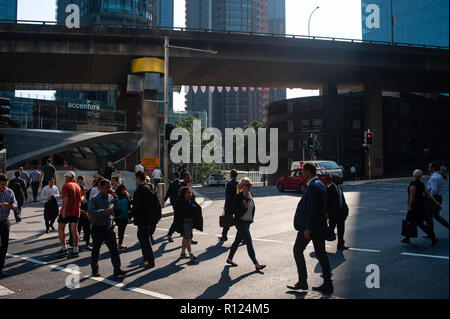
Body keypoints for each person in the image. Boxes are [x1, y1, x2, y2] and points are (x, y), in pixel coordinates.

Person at [288, 162, 333, 294]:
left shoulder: (313, 186)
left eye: (303, 171)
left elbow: (312, 210)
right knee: (321, 254)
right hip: (318, 226)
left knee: (297, 250)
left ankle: (303, 281)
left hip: (309, 228)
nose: (302, 173)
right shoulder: (320, 184)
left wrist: (307, 228)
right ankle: (328, 283)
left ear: (308, 172)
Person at [88, 179, 127, 278]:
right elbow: (91, 212)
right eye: (107, 187)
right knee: (96, 250)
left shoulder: (110, 197)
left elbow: (117, 208)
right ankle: (94, 270)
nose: (109, 189)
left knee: (114, 250)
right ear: (100, 187)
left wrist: (115, 197)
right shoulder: (94, 199)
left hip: (108, 227)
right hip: (97, 227)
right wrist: (104, 211)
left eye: (110, 187)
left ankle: (117, 269)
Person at [225, 178, 265, 271]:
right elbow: (234, 210)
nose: (249, 188)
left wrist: (251, 219)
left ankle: (229, 258)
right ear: (243, 186)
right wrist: (244, 206)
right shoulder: (238, 197)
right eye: (248, 186)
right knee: (249, 242)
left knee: (237, 241)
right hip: (240, 222)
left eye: (250, 186)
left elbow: (252, 208)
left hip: (247, 222)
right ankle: (256, 264)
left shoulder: (251, 195)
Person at [129, 171, 161, 269]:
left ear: (138, 178)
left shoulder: (139, 190)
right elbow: (157, 202)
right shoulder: (151, 187)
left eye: (136, 178)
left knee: (144, 240)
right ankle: (146, 258)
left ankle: (150, 260)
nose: (135, 180)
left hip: (143, 219)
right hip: (151, 218)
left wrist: (130, 215)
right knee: (143, 238)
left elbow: (136, 206)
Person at [401, 169, 441, 246]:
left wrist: (409, 207)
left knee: (410, 222)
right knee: (419, 223)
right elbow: (428, 195)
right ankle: (432, 238)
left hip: (414, 207)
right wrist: (436, 203)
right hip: (421, 206)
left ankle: (408, 238)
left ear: (414, 175)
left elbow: (412, 197)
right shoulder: (422, 184)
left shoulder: (413, 184)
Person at [55, 171, 82, 258]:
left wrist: (63, 210)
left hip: (67, 211)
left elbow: (65, 199)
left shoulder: (66, 185)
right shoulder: (77, 186)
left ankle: (64, 248)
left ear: (67, 177)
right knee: (74, 230)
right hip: (75, 211)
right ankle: (75, 250)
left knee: (61, 229)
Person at [173, 186, 203, 262]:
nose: (190, 194)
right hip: (184, 222)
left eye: (190, 192)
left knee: (185, 238)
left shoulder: (192, 201)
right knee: (188, 238)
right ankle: (191, 254)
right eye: (188, 192)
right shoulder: (180, 203)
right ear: (184, 194)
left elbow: (197, 209)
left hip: (191, 222)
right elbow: (177, 215)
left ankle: (182, 253)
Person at [0, 174, 17, 278]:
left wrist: (10, 205)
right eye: (2, 184)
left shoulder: (9, 192)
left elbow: (15, 205)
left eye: (5, 185)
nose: (3, 187)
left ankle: (1, 268)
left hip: (5, 221)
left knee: (4, 246)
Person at [326, 175, 350, 251]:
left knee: (341, 230)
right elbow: (327, 202)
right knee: (330, 230)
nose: (340, 180)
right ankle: (320, 245)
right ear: (334, 180)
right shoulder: (330, 188)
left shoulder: (340, 188)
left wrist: (345, 210)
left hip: (340, 213)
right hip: (333, 214)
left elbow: (342, 200)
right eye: (338, 179)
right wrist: (327, 213)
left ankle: (340, 245)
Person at [426, 161, 449, 230]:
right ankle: (430, 232)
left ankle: (430, 233)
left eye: (429, 166)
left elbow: (434, 191)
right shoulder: (438, 175)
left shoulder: (434, 177)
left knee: (429, 215)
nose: (428, 168)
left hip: (434, 197)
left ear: (433, 168)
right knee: (435, 215)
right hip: (439, 197)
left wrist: (430, 197)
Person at [218, 169, 239, 242]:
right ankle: (243, 236)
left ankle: (224, 236)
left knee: (227, 220)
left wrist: (226, 206)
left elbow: (228, 196)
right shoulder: (238, 183)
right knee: (237, 220)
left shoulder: (229, 184)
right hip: (237, 205)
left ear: (231, 175)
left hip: (230, 205)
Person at [69, 185, 91, 251]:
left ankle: (87, 244)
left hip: (85, 217)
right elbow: (75, 207)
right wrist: (83, 212)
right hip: (78, 217)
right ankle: (75, 245)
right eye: (83, 190)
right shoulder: (76, 198)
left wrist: (87, 213)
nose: (84, 191)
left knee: (87, 231)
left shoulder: (84, 197)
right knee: (77, 231)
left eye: (84, 190)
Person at [179, 172, 198, 245]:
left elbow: (191, 194)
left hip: (190, 207)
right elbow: (179, 196)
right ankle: (187, 239)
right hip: (184, 208)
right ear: (184, 178)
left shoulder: (189, 184)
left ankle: (190, 238)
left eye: (189, 178)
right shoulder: (181, 185)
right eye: (187, 178)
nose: (189, 179)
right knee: (185, 224)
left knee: (191, 224)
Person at [164, 172, 182, 242]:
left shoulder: (172, 183)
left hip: (174, 203)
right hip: (180, 203)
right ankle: (170, 233)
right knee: (178, 218)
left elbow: (168, 192)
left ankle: (181, 232)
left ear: (174, 176)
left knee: (179, 218)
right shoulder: (181, 183)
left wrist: (164, 200)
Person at [116, 184, 131, 250]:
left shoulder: (127, 197)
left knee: (122, 230)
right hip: (118, 216)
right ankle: (120, 244)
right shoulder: (116, 197)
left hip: (125, 216)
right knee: (121, 230)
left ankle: (120, 243)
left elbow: (129, 207)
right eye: (123, 189)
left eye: (125, 189)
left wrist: (130, 216)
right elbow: (111, 205)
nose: (124, 191)